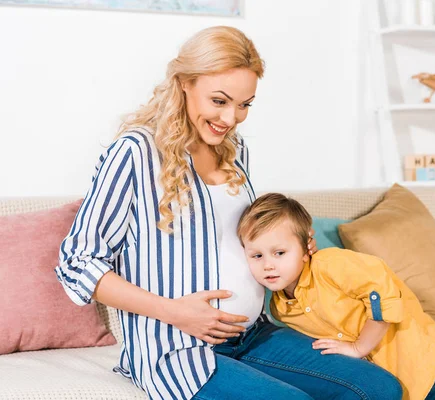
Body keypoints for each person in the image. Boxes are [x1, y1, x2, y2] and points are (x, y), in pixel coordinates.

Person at [54, 26, 402, 400]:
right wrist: (174, 312)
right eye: (219, 100)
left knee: (379, 388)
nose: (232, 117)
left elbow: (246, 242)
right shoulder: (136, 153)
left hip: (253, 335)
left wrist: (290, 256)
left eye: (244, 104)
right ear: (185, 82)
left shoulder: (235, 152)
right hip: (179, 348)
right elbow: (77, 262)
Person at [237, 193, 435, 400]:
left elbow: (384, 292)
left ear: (306, 248)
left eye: (279, 253)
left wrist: (358, 347)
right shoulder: (279, 307)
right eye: (257, 256)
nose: (268, 265)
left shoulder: (331, 264)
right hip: (391, 382)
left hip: (428, 367)